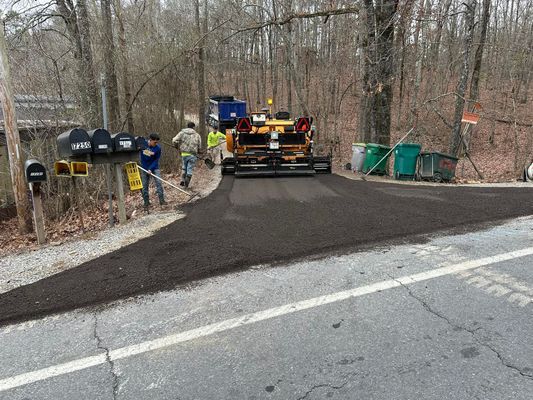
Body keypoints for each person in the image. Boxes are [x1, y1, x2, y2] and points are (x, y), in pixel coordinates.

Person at [172, 122, 202, 188]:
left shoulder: (182, 133)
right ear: (193, 127)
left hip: (184, 154)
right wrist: (199, 151)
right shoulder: (197, 135)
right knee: (190, 168)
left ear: (187, 126)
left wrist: (176, 146)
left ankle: (183, 179)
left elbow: (174, 140)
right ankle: (186, 183)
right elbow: (199, 146)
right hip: (193, 155)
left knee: (184, 168)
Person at [140, 132, 166, 207]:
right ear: (150, 140)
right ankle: (146, 202)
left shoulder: (158, 148)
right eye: (154, 142)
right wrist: (147, 169)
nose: (156, 144)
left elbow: (156, 160)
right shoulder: (143, 144)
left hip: (154, 167)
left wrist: (151, 169)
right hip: (144, 167)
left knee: (159, 183)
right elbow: (141, 153)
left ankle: (162, 201)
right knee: (144, 185)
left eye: (157, 142)